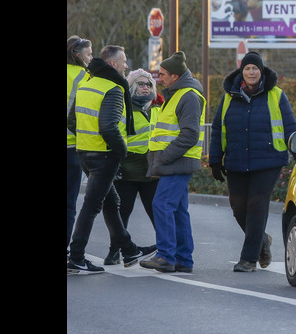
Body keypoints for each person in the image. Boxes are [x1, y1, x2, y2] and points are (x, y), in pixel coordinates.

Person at [67, 45, 156, 274]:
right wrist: (121, 150)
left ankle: (128, 250)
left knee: (111, 202)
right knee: (92, 206)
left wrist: (88, 140)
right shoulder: (114, 88)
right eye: (124, 61)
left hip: (85, 153)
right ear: (113, 64)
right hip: (105, 156)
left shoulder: (87, 84)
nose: (127, 65)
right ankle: (76, 257)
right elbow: (108, 126)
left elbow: (71, 121)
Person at [208, 52, 296, 272]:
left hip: (269, 160)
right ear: (241, 71)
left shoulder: (276, 95)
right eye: (247, 68)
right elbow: (219, 129)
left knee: (257, 205)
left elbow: (290, 128)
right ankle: (262, 241)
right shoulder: (230, 96)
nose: (251, 72)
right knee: (238, 207)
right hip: (237, 160)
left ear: (261, 71)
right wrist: (215, 160)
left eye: (255, 69)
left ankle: (248, 259)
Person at [141, 52, 205, 274]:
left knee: (162, 204)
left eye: (163, 74)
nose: (160, 78)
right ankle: (183, 259)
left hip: (176, 161)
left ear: (176, 76)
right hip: (175, 161)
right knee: (177, 210)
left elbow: (189, 134)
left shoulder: (187, 96)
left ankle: (165, 256)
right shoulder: (178, 94)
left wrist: (164, 157)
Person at [103, 69, 162, 265]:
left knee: (157, 212)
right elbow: (116, 136)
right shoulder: (123, 107)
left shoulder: (158, 108)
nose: (145, 87)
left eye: (148, 84)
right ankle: (114, 252)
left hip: (151, 169)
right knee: (122, 214)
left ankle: (165, 251)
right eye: (140, 84)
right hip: (127, 167)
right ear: (132, 86)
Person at [67, 35, 93, 257]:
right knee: (69, 204)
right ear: (78, 55)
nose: (91, 57)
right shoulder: (84, 76)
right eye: (89, 54)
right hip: (72, 145)